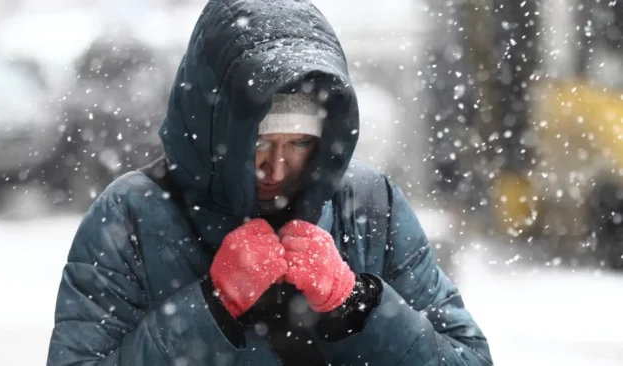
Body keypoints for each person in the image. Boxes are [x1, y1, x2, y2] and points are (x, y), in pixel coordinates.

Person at [46, 0, 493, 365]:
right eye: (258, 142)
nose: (277, 169)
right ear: (217, 128)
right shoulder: (131, 215)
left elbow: (467, 359)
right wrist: (212, 307)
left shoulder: (371, 203)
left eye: (299, 142)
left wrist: (356, 302)